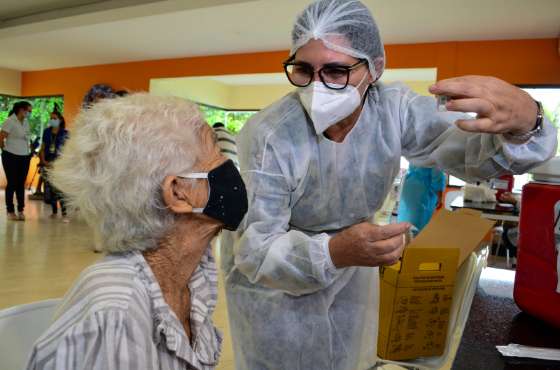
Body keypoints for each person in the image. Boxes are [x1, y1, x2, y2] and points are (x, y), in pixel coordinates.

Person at [220, 1, 558, 369]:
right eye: (303, 69)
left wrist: (527, 123)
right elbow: (255, 250)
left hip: (350, 273)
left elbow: (474, 155)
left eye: (336, 70)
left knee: (351, 360)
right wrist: (334, 251)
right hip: (274, 287)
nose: (317, 87)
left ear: (375, 68)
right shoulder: (270, 133)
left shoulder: (394, 110)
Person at [26, 94, 248, 370]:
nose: (230, 166)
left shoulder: (191, 273)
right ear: (178, 193)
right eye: (214, 153)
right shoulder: (115, 317)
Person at [0, 101, 33, 221]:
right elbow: (1, 137)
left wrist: (29, 151)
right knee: (12, 183)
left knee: (20, 184)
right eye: (28, 111)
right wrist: (5, 150)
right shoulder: (10, 121)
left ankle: (20, 210)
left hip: (24, 156)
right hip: (10, 155)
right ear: (21, 110)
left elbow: (27, 138)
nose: (30, 113)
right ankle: (10, 211)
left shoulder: (26, 122)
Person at [397, 165, 447, 235]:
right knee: (417, 224)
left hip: (408, 185)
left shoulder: (416, 154)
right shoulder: (433, 156)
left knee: (405, 218)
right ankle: (414, 243)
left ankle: (403, 242)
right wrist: (440, 197)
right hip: (422, 190)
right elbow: (437, 175)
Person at [39, 110, 69, 222]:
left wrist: (59, 163)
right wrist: (44, 160)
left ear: (60, 120)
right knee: (50, 188)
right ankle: (54, 212)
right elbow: (42, 148)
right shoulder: (46, 132)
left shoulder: (65, 133)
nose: (52, 120)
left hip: (59, 163)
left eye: (55, 118)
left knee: (60, 188)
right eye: (51, 118)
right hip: (47, 162)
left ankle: (65, 213)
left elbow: (68, 151)